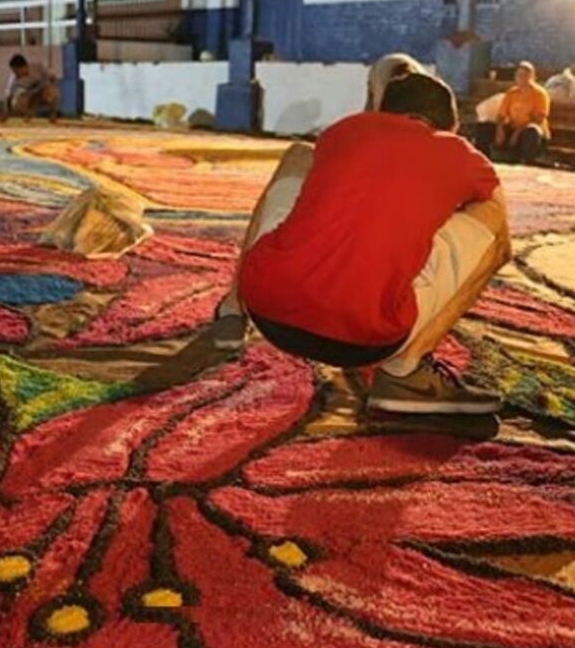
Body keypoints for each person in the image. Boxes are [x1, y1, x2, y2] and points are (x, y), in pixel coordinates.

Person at [211, 71, 512, 414]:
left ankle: (233, 309)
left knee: (298, 154)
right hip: (367, 338)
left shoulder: (344, 130)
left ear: (381, 110)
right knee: (494, 223)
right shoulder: (460, 151)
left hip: (266, 307)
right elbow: (493, 210)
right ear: (450, 124)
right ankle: (406, 375)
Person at [475, 61, 551, 164]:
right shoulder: (512, 93)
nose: (522, 78)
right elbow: (501, 115)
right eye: (519, 75)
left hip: (532, 131)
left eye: (525, 75)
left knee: (531, 132)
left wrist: (518, 132)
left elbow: (538, 119)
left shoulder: (540, 94)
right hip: (512, 128)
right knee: (484, 127)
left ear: (532, 77)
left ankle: (526, 163)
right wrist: (499, 129)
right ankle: (482, 160)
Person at [4, 54, 60, 123]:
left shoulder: (38, 66)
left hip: (42, 91)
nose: (16, 74)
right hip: (30, 96)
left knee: (52, 91)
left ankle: (52, 114)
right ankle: (28, 114)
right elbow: (9, 96)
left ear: (24, 67)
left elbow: (53, 77)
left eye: (17, 71)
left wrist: (45, 83)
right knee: (17, 103)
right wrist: (6, 114)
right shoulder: (14, 79)